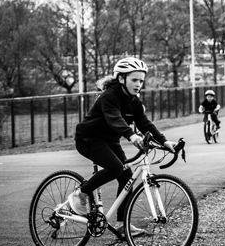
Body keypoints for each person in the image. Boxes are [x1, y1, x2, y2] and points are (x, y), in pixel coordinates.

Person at [69, 57, 178, 235]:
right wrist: (132, 136)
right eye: (134, 80)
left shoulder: (134, 101)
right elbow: (114, 119)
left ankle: (122, 225)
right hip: (88, 139)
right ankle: (80, 193)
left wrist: (165, 141)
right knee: (115, 168)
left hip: (109, 141)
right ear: (121, 79)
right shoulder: (109, 96)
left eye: (141, 81)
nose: (138, 84)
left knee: (126, 176)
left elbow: (145, 124)